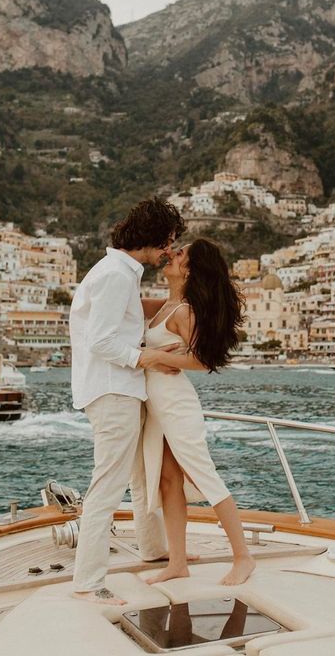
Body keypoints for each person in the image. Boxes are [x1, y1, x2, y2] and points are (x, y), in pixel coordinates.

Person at [70, 197, 186, 605]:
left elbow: (127, 318)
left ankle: (152, 547)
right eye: (168, 242)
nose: (169, 251)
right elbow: (100, 340)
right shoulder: (116, 275)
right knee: (109, 484)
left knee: (139, 477)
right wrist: (150, 356)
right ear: (151, 238)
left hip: (119, 388)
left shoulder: (118, 272)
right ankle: (88, 583)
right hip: (112, 389)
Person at [139, 238, 256, 586]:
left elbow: (202, 360)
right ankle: (177, 563)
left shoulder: (184, 311)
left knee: (204, 475)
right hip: (157, 406)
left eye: (179, 254)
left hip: (175, 403)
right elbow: (125, 305)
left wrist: (158, 356)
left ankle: (243, 557)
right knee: (167, 480)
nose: (171, 257)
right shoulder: (166, 305)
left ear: (189, 269)